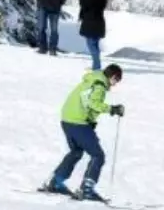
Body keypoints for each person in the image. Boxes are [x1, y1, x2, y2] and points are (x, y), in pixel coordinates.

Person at [41, 64, 125, 201]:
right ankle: (87, 190)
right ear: (113, 77)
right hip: (78, 122)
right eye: (117, 80)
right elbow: (93, 103)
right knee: (98, 155)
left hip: (67, 119)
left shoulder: (91, 80)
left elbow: (85, 101)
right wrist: (112, 109)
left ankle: (56, 182)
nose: (115, 84)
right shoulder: (100, 85)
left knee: (76, 152)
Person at [78, 0, 108, 70]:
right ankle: (96, 65)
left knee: (91, 45)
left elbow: (86, 5)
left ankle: (97, 66)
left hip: (91, 23)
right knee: (95, 45)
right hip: (99, 23)